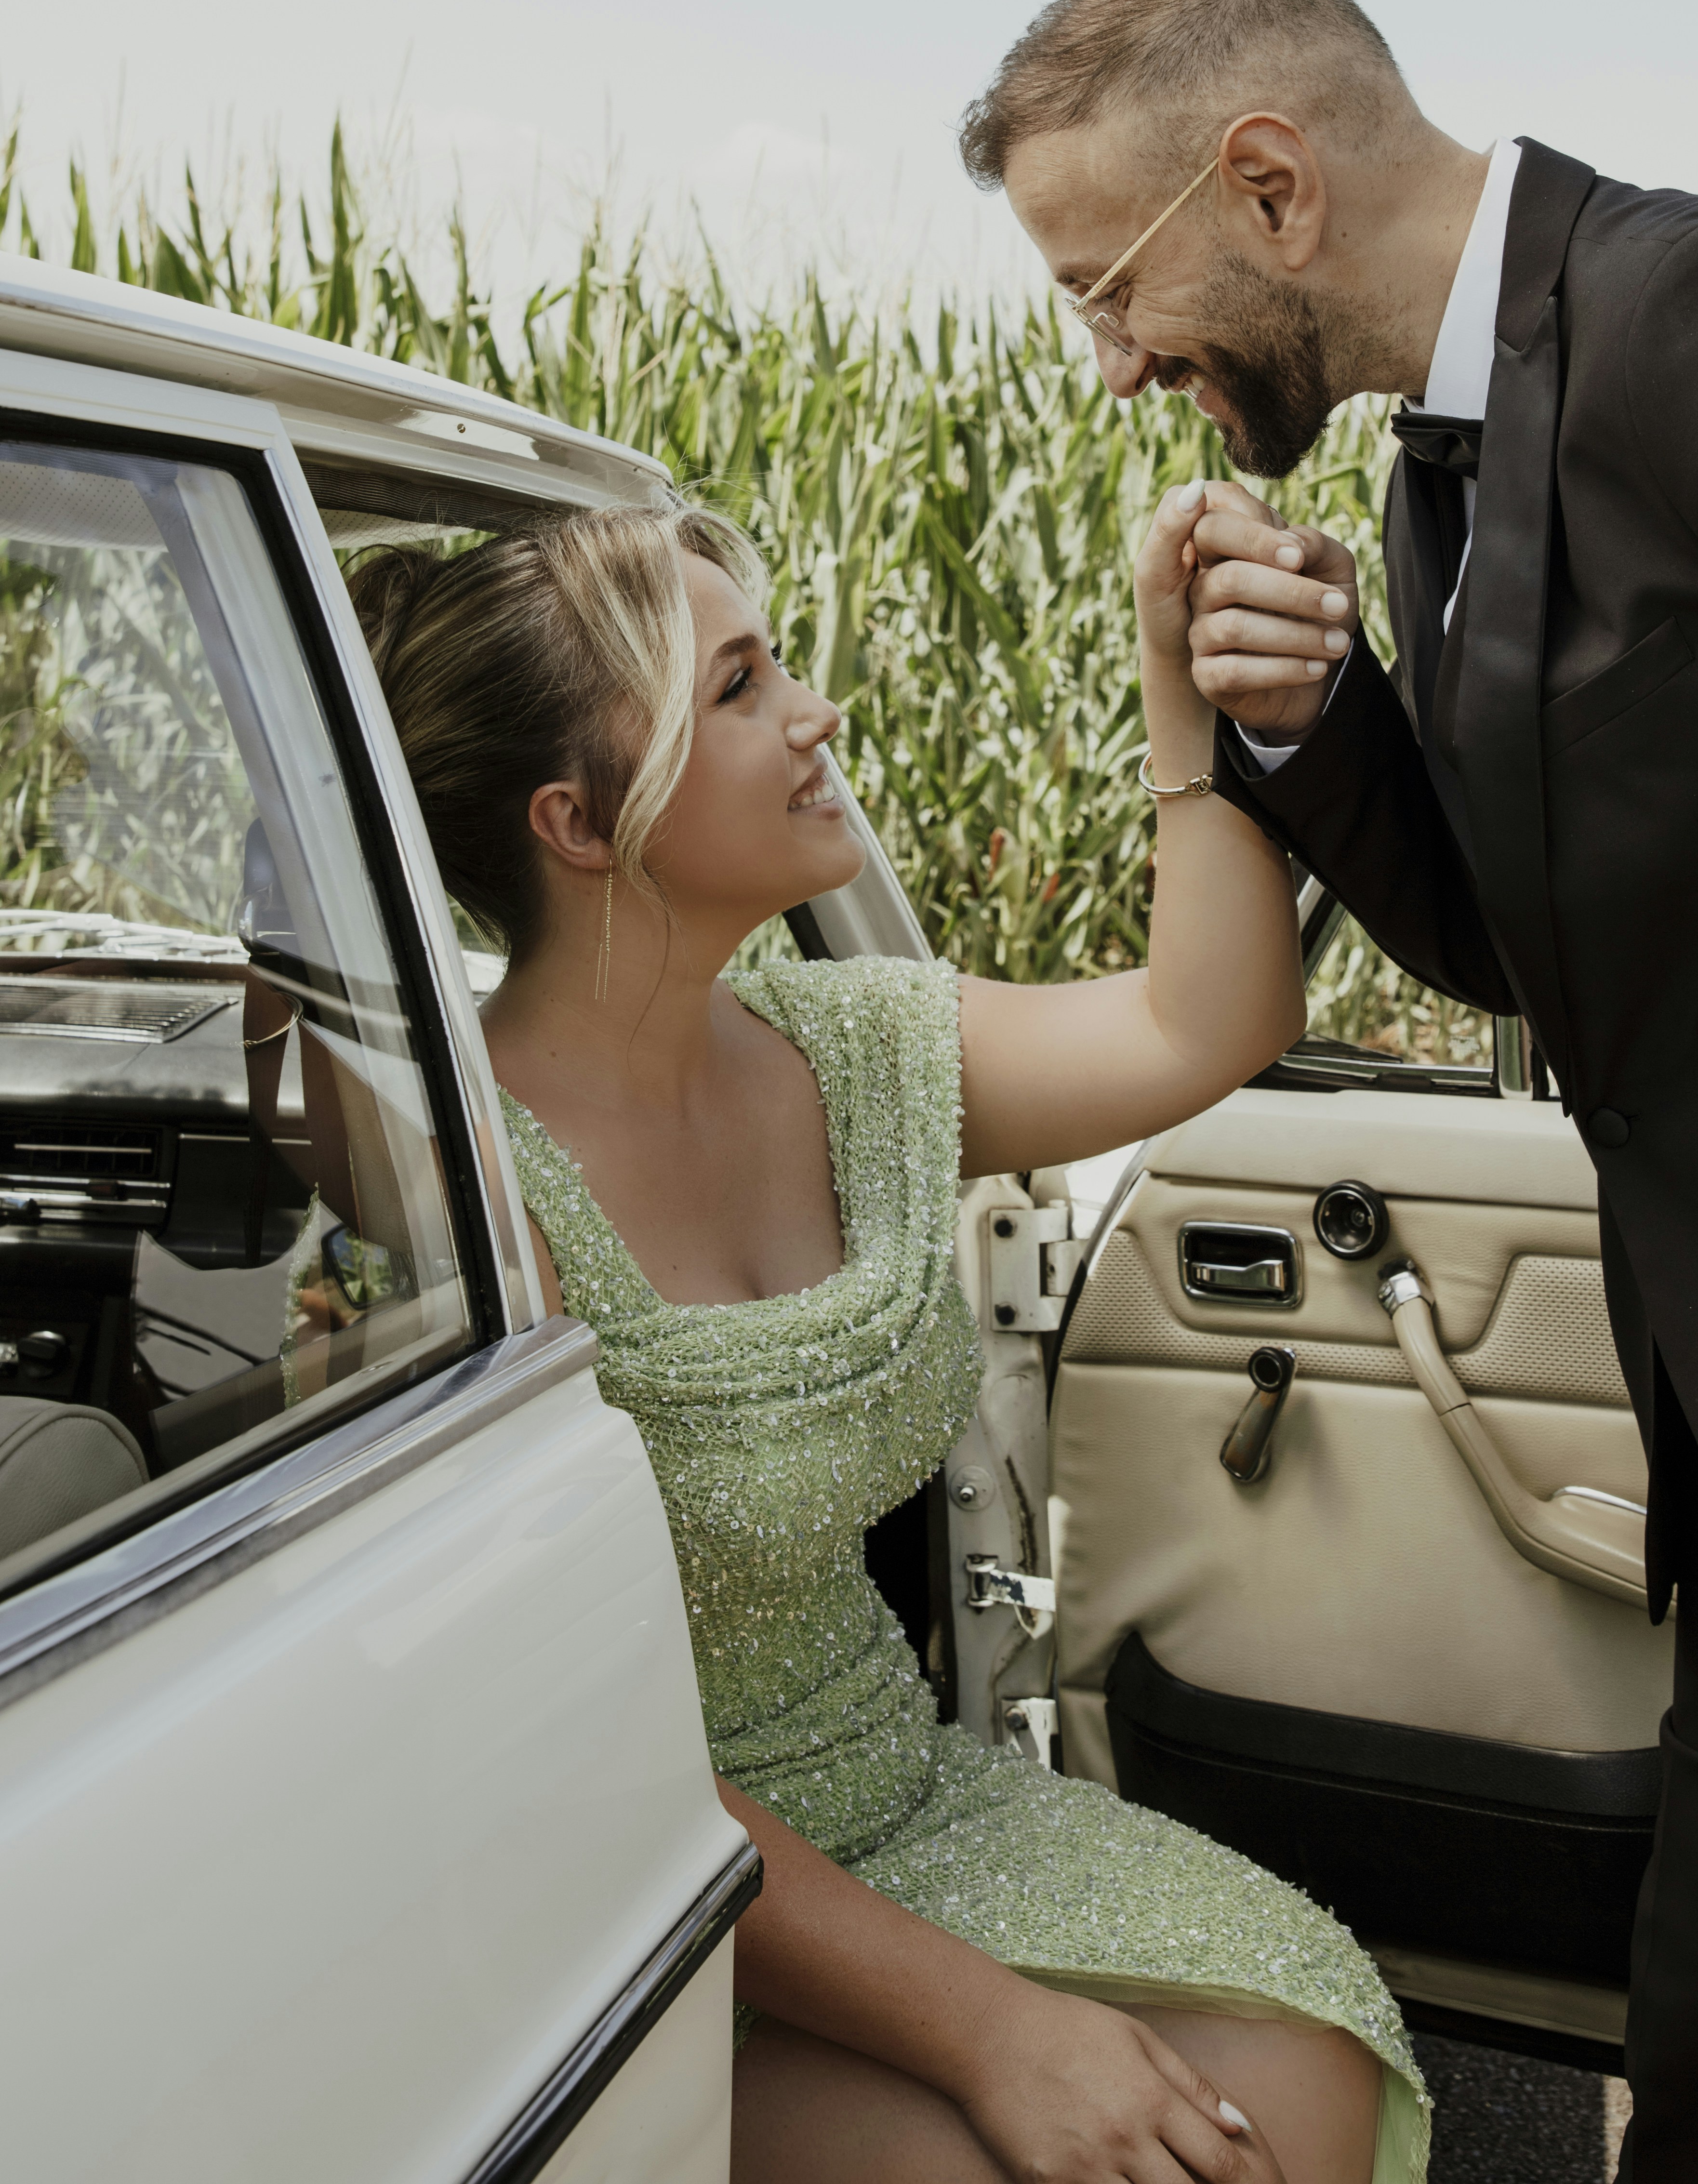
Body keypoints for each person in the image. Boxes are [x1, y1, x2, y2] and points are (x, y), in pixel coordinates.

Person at [964, 0, 1698, 2184]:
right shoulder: (1444, 464)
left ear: (1266, 182)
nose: (1113, 364)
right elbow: (1556, 970)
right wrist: (1319, 724)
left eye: (1097, 286)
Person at [348, 494, 1426, 2184]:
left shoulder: (852, 1047)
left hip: (904, 1801)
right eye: (740, 687)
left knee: (1297, 2080)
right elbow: (551, 1764)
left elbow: (1211, 1015)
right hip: (627, 1890)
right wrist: (998, 2032)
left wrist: (1175, 679)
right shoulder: (459, 1183)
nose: (816, 714)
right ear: (577, 819)